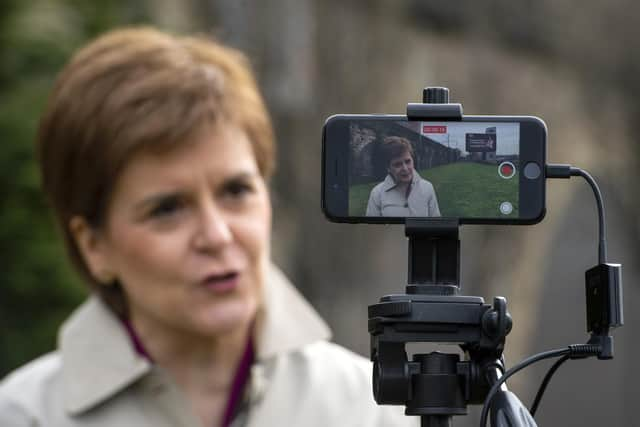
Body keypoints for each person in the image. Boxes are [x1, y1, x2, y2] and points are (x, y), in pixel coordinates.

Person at [0, 27, 416, 427]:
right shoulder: (24, 415)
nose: (217, 235)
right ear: (93, 246)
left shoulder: (367, 408)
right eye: (166, 209)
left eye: (236, 190)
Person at [366, 136, 441, 217]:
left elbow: (436, 223)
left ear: (413, 160)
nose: (405, 168)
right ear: (388, 168)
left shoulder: (427, 188)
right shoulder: (377, 193)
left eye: (408, 161)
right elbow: (371, 227)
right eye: (397, 164)